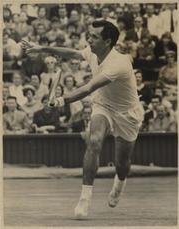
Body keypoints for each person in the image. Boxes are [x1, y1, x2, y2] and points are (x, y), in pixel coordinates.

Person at [22, 20, 144, 219]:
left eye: (94, 37)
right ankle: (84, 199)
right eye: (89, 34)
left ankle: (119, 183)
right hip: (103, 105)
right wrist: (41, 48)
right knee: (94, 141)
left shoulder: (119, 64)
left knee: (122, 163)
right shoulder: (93, 51)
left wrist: (60, 100)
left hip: (127, 114)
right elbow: (72, 53)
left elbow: (87, 88)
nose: (89, 39)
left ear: (107, 41)